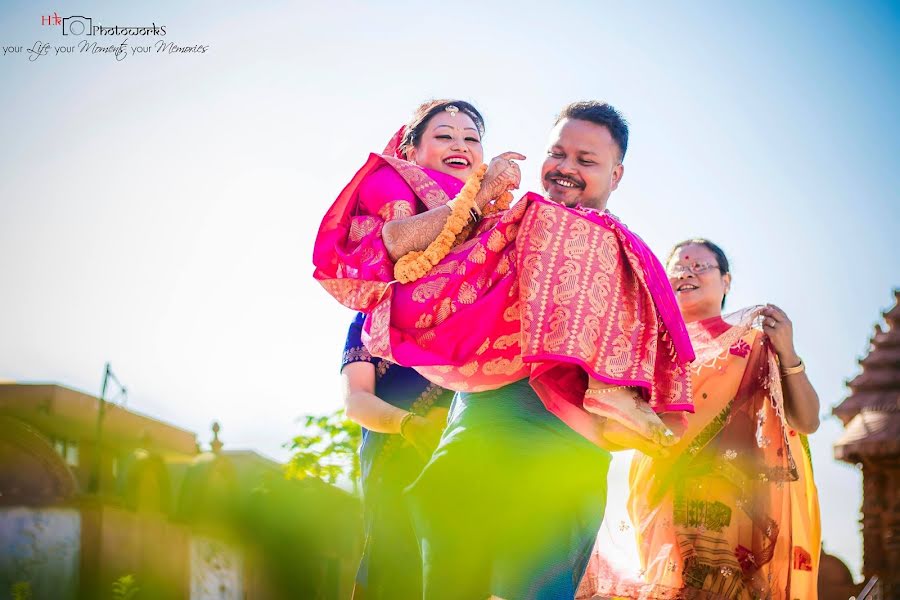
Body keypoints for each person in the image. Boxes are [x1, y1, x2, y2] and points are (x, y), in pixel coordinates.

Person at [316, 101, 697, 599]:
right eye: (557, 153)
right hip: (475, 439)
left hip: (565, 460)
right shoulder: (515, 224)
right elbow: (394, 247)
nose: (566, 169)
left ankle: (609, 389)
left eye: (587, 161)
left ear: (616, 173)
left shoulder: (624, 258)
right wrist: (478, 195)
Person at [577, 239, 822, 600]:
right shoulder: (647, 345)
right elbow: (609, 419)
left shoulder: (754, 345)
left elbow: (807, 420)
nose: (687, 273)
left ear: (726, 281)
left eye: (700, 267)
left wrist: (787, 351)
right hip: (662, 492)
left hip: (732, 506)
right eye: (677, 268)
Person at [318, 99, 492, 599]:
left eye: (471, 137)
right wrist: (411, 426)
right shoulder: (378, 308)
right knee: (397, 573)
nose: (460, 144)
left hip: (474, 455)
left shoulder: (487, 288)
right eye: (445, 135)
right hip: (399, 457)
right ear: (411, 154)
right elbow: (357, 402)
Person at [342, 312, 453, 599]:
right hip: (392, 469)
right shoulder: (371, 317)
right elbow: (356, 400)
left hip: (460, 455)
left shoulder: (464, 293)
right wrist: (409, 425)